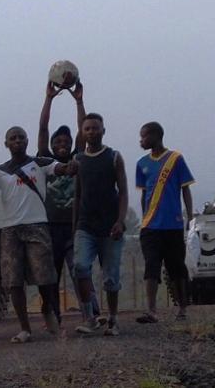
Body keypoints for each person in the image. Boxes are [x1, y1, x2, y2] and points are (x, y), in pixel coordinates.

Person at [0, 126, 75, 342]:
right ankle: (25, 328)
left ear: (27, 141)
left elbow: (61, 169)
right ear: (6, 144)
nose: (17, 141)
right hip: (10, 229)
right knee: (13, 280)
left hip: (37, 225)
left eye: (21, 137)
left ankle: (49, 312)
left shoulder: (41, 163)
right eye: (13, 138)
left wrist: (71, 167)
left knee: (45, 277)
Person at [36, 78, 101, 324]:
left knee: (79, 270)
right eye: (58, 142)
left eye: (66, 142)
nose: (62, 145)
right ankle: (53, 317)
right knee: (50, 275)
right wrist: (49, 99)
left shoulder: (78, 158)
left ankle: (91, 313)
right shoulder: (45, 161)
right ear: (52, 146)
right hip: (50, 228)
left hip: (75, 227)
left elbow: (83, 130)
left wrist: (79, 101)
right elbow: (43, 129)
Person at [73, 113, 128, 336]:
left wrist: (120, 221)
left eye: (95, 128)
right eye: (87, 129)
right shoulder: (78, 160)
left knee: (110, 277)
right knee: (80, 267)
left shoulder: (114, 157)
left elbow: (123, 192)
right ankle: (90, 318)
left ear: (103, 131)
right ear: (82, 132)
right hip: (85, 226)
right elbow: (77, 195)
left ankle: (113, 319)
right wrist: (75, 226)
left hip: (110, 227)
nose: (91, 132)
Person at [135, 122, 194, 323]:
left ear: (155, 136)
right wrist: (144, 217)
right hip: (150, 226)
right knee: (151, 265)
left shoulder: (175, 159)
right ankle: (151, 310)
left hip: (173, 225)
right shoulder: (141, 163)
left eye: (144, 136)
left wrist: (190, 216)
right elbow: (144, 194)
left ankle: (182, 308)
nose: (141, 140)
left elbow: (185, 188)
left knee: (176, 268)